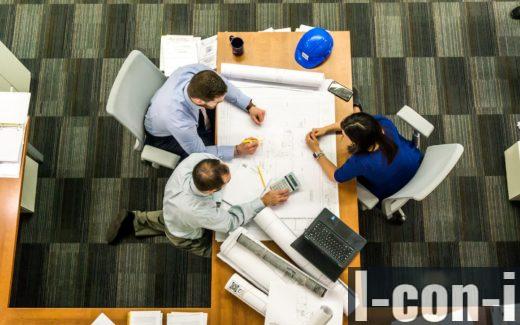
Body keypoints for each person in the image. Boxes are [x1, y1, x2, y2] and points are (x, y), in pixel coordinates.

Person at [106, 153, 290, 257]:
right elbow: (231, 222)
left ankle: (135, 220)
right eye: (226, 182)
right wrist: (263, 201)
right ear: (211, 191)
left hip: (173, 209)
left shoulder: (196, 161)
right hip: (185, 233)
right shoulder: (199, 211)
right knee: (219, 251)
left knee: (168, 218)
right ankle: (136, 223)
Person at [305, 92, 422, 224]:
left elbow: (335, 176)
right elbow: (356, 124)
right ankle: (357, 110)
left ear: (357, 143)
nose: (342, 136)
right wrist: (325, 129)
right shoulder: (383, 124)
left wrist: (316, 150)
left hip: (391, 190)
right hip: (417, 164)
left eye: (343, 136)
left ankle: (356, 109)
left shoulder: (360, 162)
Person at [144, 64, 266, 161]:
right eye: (217, 102)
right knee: (208, 156)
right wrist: (237, 150)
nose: (221, 102)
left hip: (166, 107)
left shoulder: (198, 72)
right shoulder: (179, 122)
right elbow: (199, 152)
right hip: (165, 137)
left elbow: (225, 86)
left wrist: (249, 106)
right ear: (199, 100)